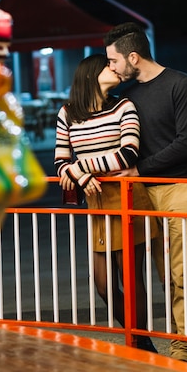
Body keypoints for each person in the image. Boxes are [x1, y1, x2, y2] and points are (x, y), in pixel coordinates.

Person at [104, 22, 187, 365]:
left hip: (180, 188)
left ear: (134, 57)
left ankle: (183, 348)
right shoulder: (127, 96)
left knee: (182, 273)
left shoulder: (180, 84)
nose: (111, 68)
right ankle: (184, 346)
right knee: (151, 275)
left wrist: (139, 170)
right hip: (142, 193)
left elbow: (186, 144)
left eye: (114, 61)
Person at [54, 53, 159, 353]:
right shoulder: (68, 113)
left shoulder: (124, 106)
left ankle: (139, 343)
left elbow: (128, 154)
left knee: (130, 275)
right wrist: (78, 173)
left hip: (127, 197)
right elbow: (61, 163)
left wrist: (81, 168)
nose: (115, 68)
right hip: (96, 200)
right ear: (91, 75)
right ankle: (139, 340)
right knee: (103, 283)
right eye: (108, 65)